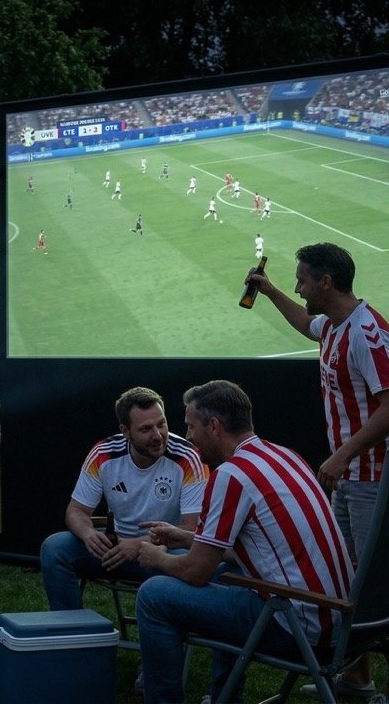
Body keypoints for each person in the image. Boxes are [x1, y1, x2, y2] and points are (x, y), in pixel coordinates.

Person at [135, 380, 353, 704]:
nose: (188, 436)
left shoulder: (231, 475)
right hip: (343, 622)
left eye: (191, 426)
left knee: (154, 595)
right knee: (228, 577)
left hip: (299, 628)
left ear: (214, 426)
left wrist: (156, 557)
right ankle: (224, 698)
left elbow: (195, 571)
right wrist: (187, 537)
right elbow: (266, 547)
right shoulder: (284, 455)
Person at [246, 242, 389, 697]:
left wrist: (343, 453)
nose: (298, 288)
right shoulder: (332, 324)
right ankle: (357, 678)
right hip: (348, 477)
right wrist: (268, 291)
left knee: (376, 584)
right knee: (347, 577)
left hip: (371, 479)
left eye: (302, 280)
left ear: (326, 282)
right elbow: (306, 324)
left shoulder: (367, 333)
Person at [39, 387, 208, 613]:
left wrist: (139, 544)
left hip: (164, 551)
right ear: (125, 431)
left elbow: (191, 528)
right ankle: (71, 629)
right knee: (54, 547)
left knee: (188, 561)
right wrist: (89, 534)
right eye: (146, 429)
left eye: (161, 424)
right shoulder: (103, 453)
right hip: (115, 549)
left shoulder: (188, 457)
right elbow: (76, 511)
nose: (158, 435)